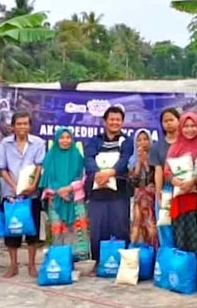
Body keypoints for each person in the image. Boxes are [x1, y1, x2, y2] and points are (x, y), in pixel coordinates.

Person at [0, 111, 46, 277]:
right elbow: (1, 168)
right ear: (13, 126)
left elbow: (39, 167)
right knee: (12, 229)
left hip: (31, 194)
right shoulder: (5, 144)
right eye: (19, 124)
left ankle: (31, 265)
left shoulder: (38, 143)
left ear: (30, 126)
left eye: (25, 124)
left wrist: (33, 186)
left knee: (32, 231)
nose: (22, 127)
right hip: (11, 193)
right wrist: (15, 186)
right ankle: (13, 265)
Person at [85, 106, 134, 262]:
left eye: (118, 120)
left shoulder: (127, 141)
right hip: (97, 193)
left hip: (119, 192)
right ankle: (99, 262)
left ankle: (121, 262)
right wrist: (98, 174)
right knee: (97, 230)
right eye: (111, 119)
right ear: (104, 121)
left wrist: (110, 173)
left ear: (122, 122)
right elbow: (88, 159)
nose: (115, 122)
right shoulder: (94, 140)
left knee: (120, 227)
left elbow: (125, 160)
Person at [166, 112, 197, 282]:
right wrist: (175, 180)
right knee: (181, 236)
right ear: (181, 128)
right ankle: (183, 275)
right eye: (186, 126)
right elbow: (168, 171)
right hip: (180, 198)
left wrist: (193, 181)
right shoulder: (175, 147)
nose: (189, 130)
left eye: (193, 126)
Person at [41, 127, 90, 261]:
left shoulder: (78, 157)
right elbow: (46, 179)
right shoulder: (50, 157)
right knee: (58, 230)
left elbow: (83, 177)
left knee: (78, 229)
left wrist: (69, 188)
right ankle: (60, 259)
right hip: (55, 200)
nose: (65, 141)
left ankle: (79, 258)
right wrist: (58, 191)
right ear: (56, 139)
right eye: (62, 138)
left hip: (75, 199)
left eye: (68, 137)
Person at [151, 108, 181, 222]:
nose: (168, 123)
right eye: (165, 121)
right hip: (166, 189)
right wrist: (159, 194)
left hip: (185, 189)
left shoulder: (186, 143)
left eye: (171, 120)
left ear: (178, 121)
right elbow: (158, 171)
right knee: (165, 224)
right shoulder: (157, 146)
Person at [129, 129, 158, 246]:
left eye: (145, 139)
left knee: (151, 226)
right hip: (138, 198)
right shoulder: (132, 159)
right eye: (139, 140)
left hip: (152, 197)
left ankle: (152, 253)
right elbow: (133, 181)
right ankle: (135, 253)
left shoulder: (155, 157)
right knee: (137, 225)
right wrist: (139, 163)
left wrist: (146, 163)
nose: (142, 142)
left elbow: (153, 179)